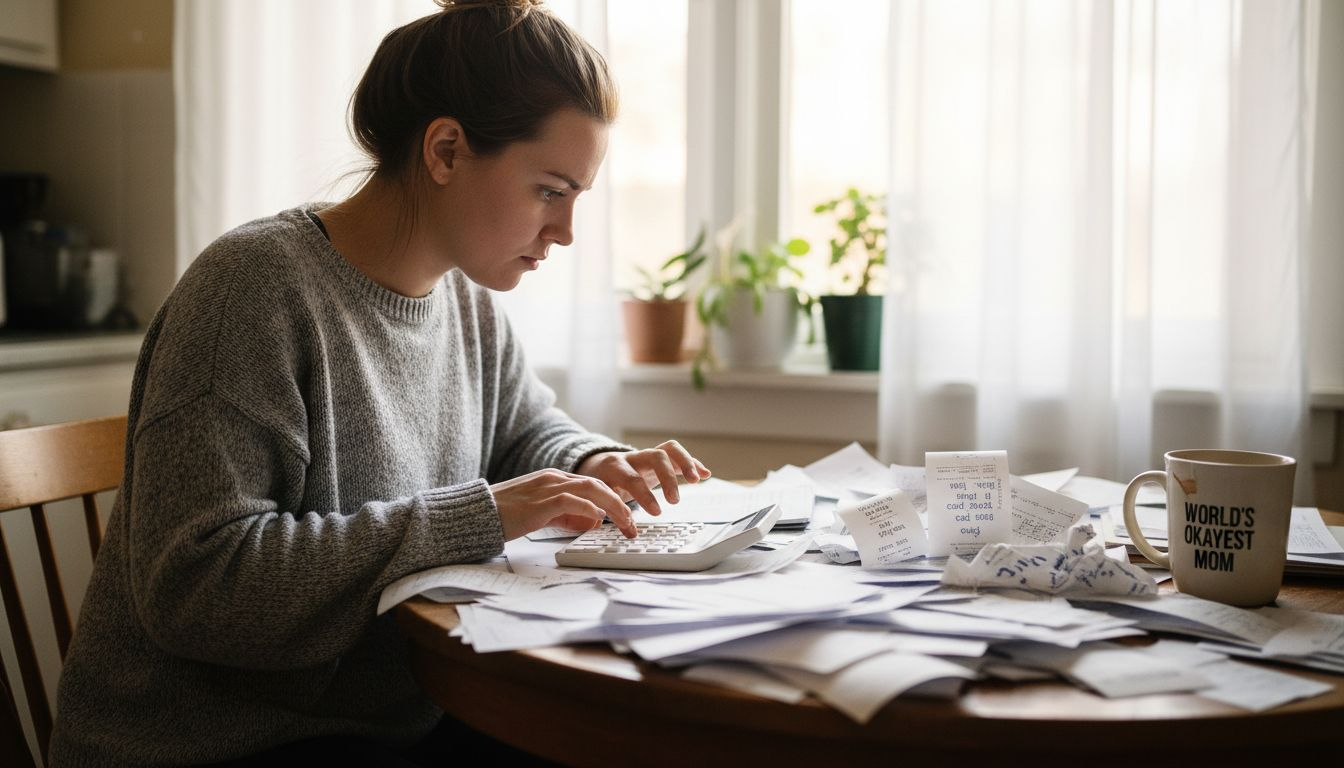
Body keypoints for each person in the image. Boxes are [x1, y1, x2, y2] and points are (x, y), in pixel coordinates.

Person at [48, 1, 709, 765]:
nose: (565, 232)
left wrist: (594, 464)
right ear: (447, 150)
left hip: (387, 717)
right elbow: (196, 586)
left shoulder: (463, 298)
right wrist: (476, 516)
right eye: (550, 190)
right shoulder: (252, 289)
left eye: (577, 198)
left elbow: (528, 431)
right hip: (218, 742)